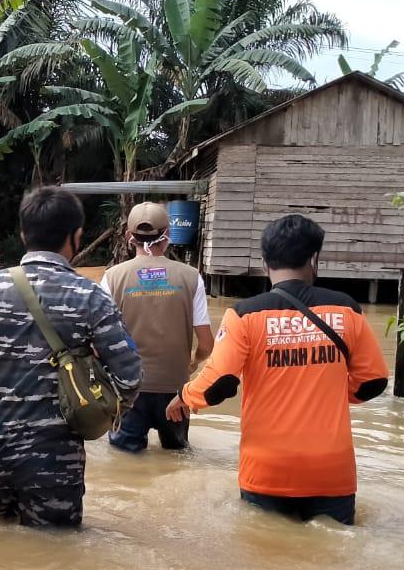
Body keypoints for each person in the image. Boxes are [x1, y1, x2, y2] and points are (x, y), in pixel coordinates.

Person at [0, 186, 142, 527]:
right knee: (54, 550)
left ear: (23, 233)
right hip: (56, 455)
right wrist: (95, 411)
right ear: (75, 237)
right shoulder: (91, 297)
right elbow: (129, 378)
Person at [165, 214, 388, 525]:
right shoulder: (347, 310)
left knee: (264, 552)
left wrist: (184, 396)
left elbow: (221, 383)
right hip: (331, 470)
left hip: (267, 469)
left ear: (264, 260)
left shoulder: (244, 315)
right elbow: (373, 382)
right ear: (314, 258)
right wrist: (328, 393)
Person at [100, 202, 212, 452]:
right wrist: (193, 362)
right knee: (176, 459)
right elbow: (206, 345)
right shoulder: (191, 277)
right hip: (175, 389)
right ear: (168, 235)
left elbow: (100, 340)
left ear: (130, 237)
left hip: (128, 389)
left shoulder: (112, 278)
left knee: (125, 464)